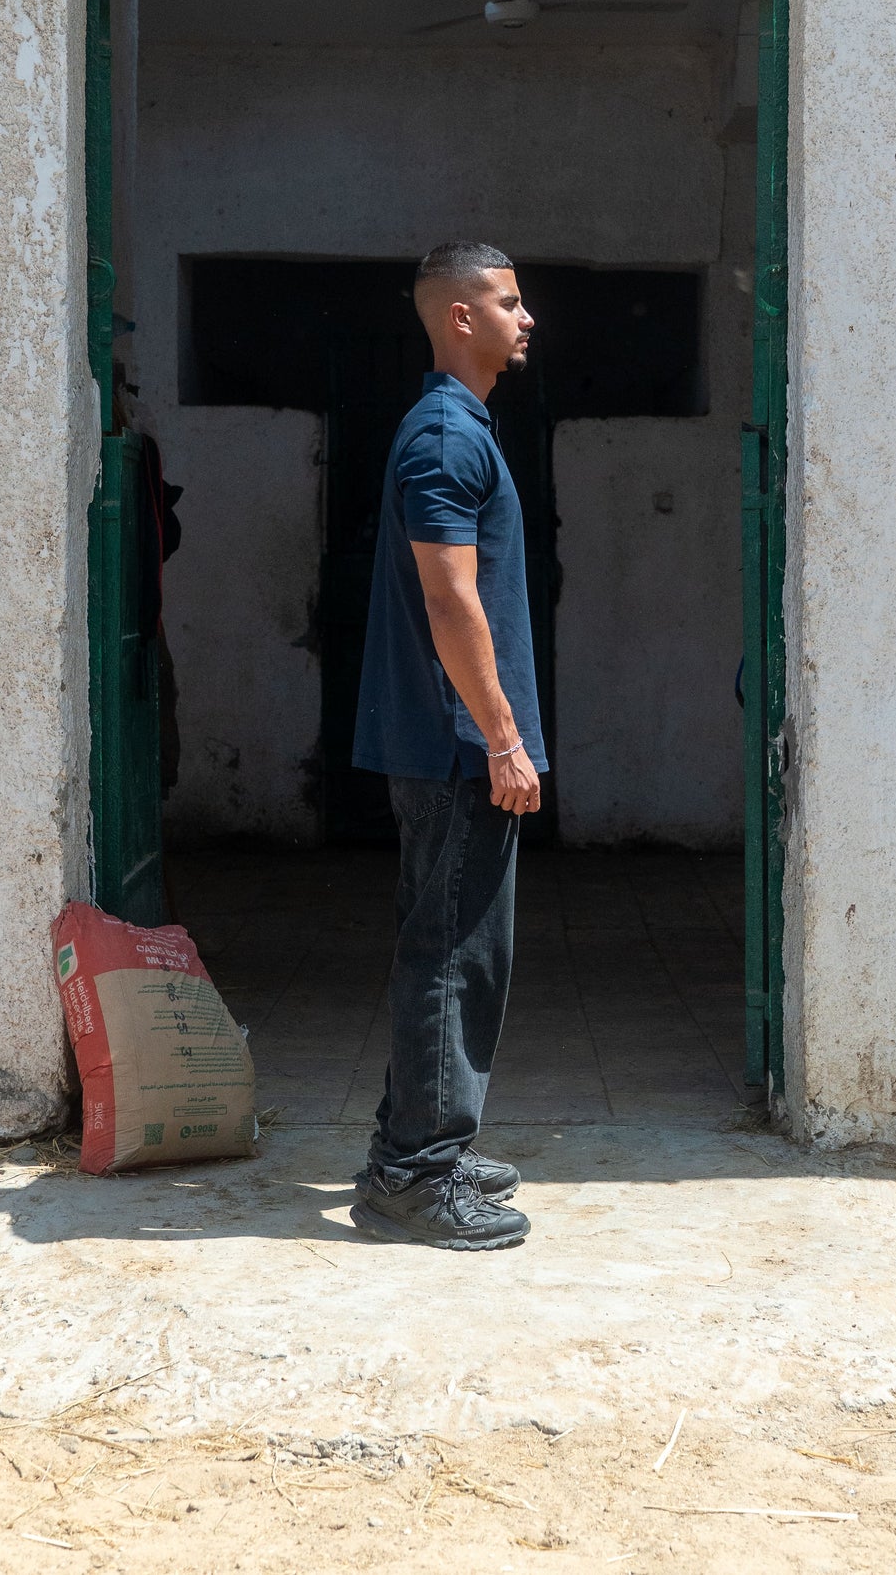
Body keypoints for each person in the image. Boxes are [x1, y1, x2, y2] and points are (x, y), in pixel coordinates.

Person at [348, 241, 547, 1251]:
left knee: (448, 945)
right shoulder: (441, 438)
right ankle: (416, 1178)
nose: (527, 317)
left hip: (451, 740)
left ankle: (413, 1149)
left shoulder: (456, 427)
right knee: (453, 955)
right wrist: (503, 739)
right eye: (508, 302)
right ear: (459, 317)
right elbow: (449, 597)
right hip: (457, 745)